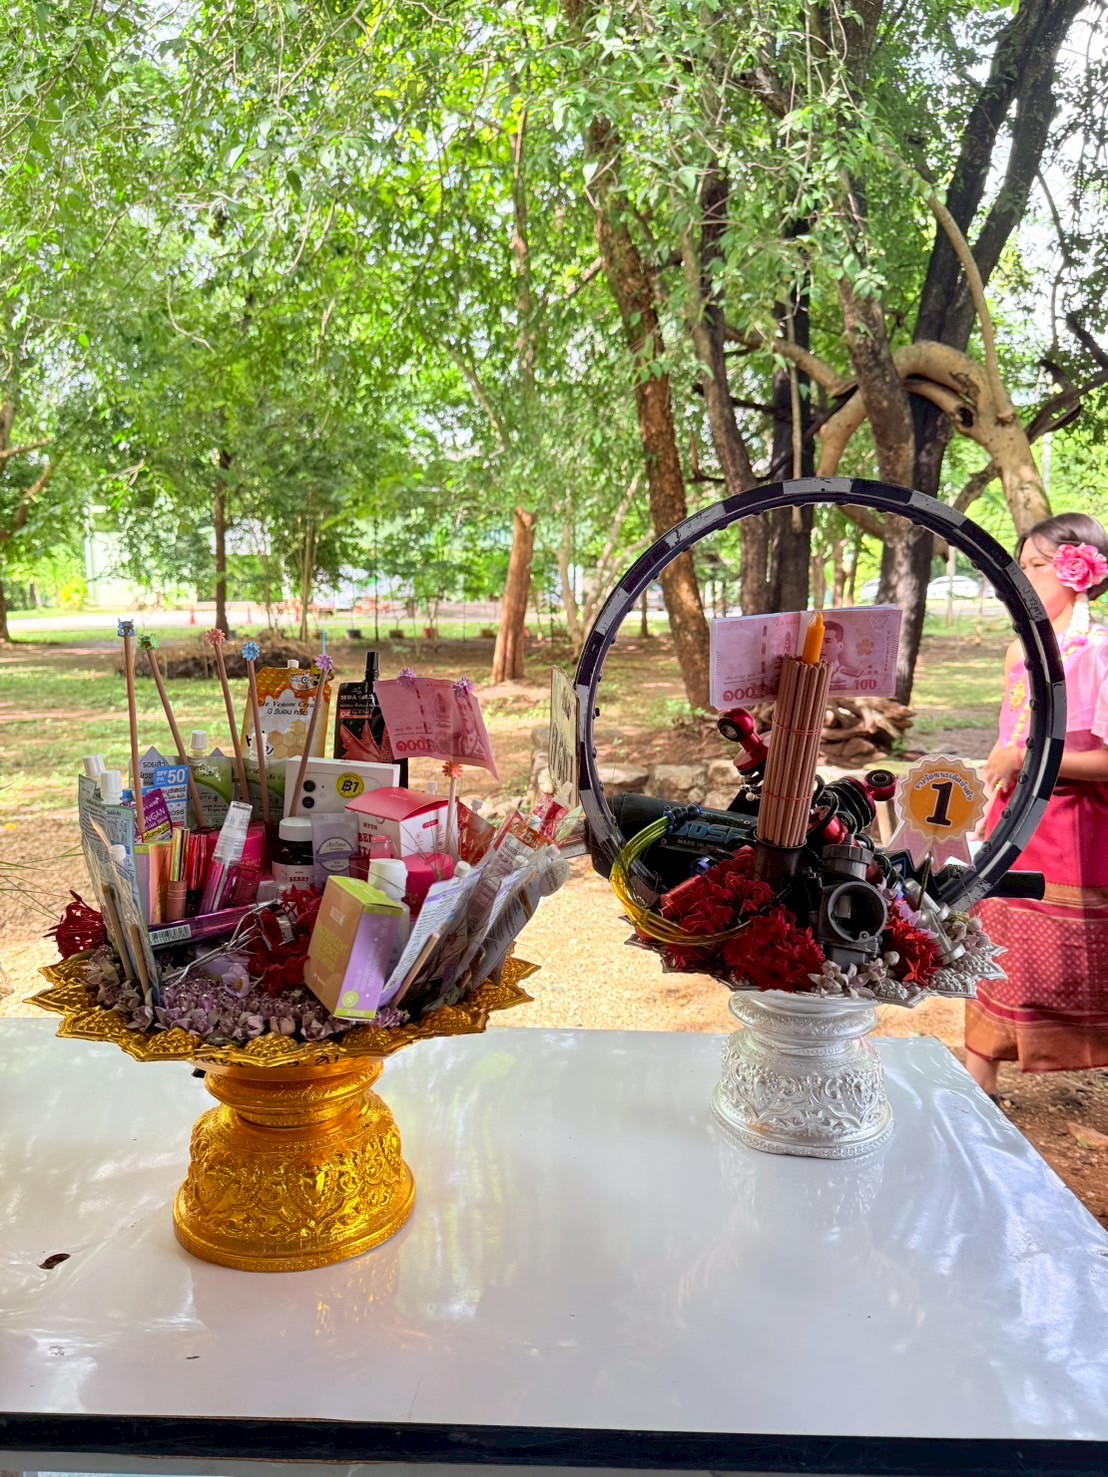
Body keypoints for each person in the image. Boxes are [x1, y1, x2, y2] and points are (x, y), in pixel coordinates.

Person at [966, 513, 1108, 1094]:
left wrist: (1027, 758)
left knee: (1073, 967)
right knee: (989, 948)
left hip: (1076, 832)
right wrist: (1006, 764)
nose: (1021, 579)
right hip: (1014, 819)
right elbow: (1012, 737)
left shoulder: (1098, 653)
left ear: (1078, 572)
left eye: (1037, 566)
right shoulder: (1018, 652)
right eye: (1019, 566)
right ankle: (977, 1085)